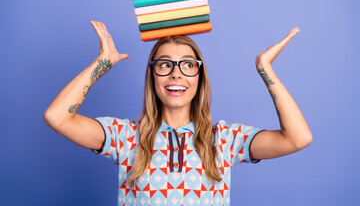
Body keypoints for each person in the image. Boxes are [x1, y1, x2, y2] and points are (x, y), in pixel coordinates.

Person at [43, 20, 312, 206]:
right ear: (152, 76)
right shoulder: (123, 136)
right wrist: (103, 63)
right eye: (164, 64)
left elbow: (297, 138)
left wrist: (265, 68)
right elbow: (57, 117)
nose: (176, 73)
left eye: (187, 65)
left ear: (199, 76)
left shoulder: (227, 139)